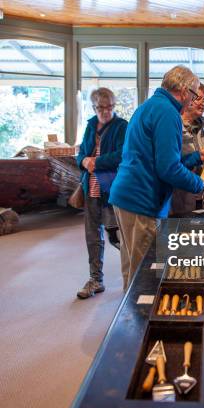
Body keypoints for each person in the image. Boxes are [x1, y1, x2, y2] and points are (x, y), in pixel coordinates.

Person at [109, 66, 204, 291]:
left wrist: (197, 156)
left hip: (125, 197)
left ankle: (129, 321)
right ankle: (139, 323)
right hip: (141, 201)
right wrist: (199, 183)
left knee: (132, 271)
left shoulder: (149, 106)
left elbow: (160, 161)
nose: (195, 101)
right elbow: (168, 169)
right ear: (185, 91)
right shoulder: (168, 113)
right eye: (195, 95)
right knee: (146, 277)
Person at [76, 88, 128, 299]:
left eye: (109, 107)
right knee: (92, 236)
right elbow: (81, 152)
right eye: (101, 108)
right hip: (92, 188)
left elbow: (123, 154)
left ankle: (137, 275)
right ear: (94, 107)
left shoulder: (122, 126)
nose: (105, 111)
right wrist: (83, 161)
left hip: (112, 188)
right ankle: (95, 279)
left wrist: (96, 162)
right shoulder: (90, 125)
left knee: (118, 236)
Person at [171, 83, 204, 216]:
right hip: (179, 200)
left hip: (202, 196)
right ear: (187, 98)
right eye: (198, 99)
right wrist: (197, 158)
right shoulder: (174, 127)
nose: (202, 104)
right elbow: (171, 166)